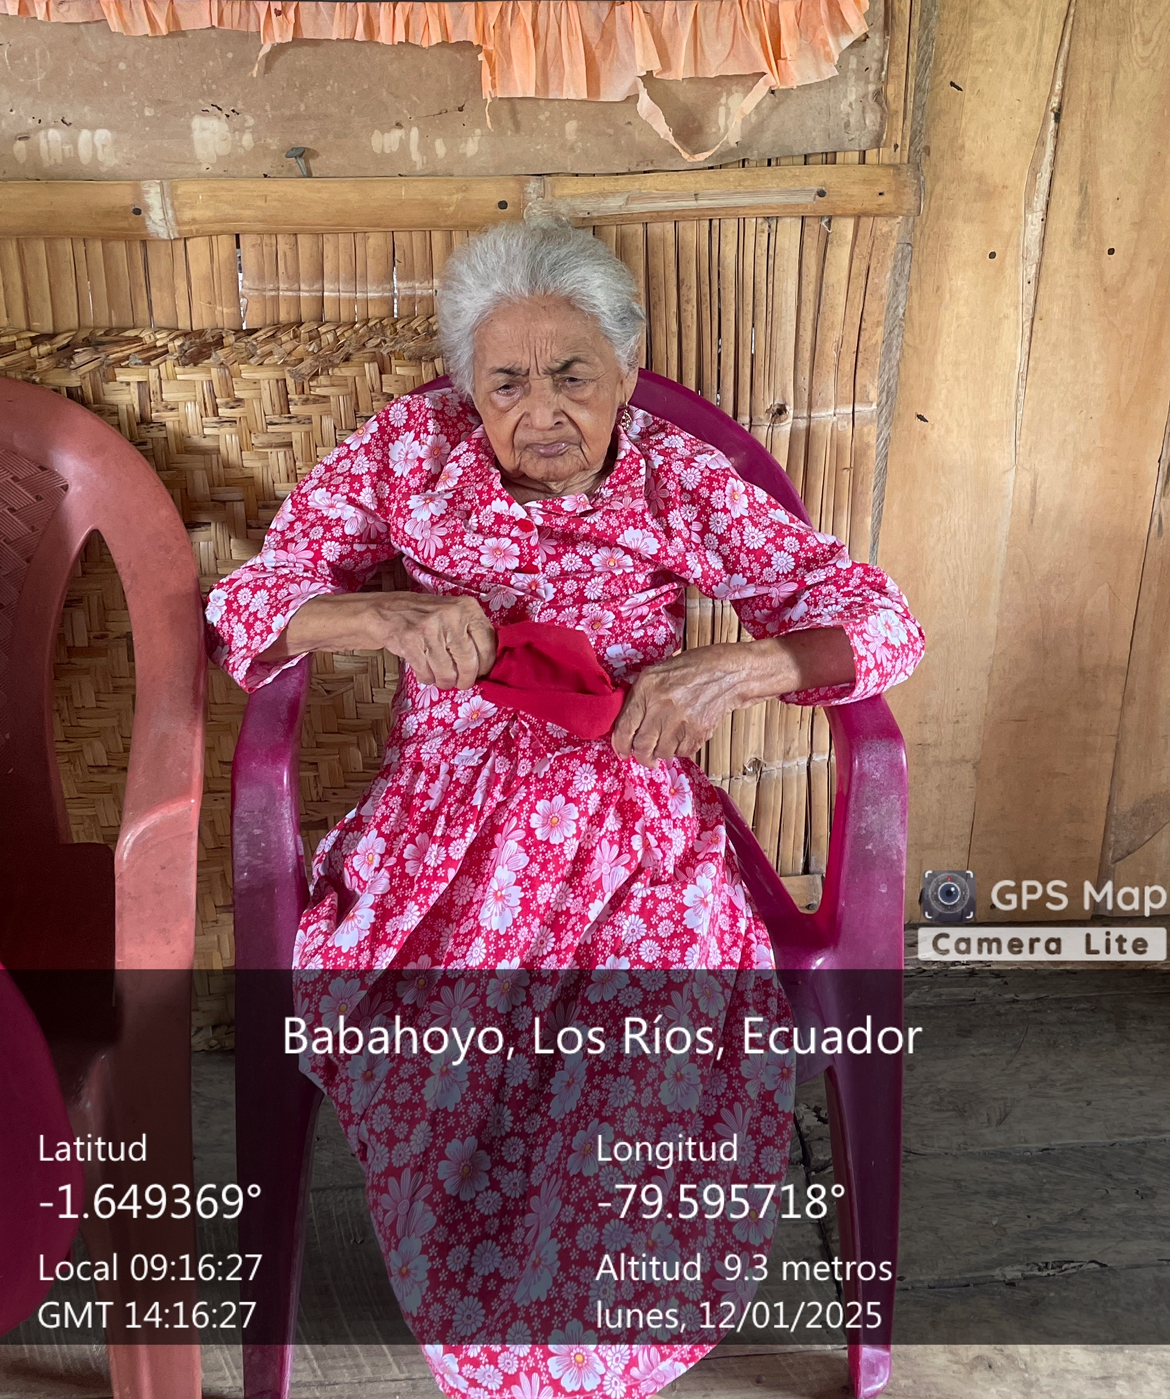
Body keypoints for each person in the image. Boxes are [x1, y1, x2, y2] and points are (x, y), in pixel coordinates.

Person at [206, 219, 924, 1399]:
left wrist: (737, 669)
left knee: (650, 1039)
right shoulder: (408, 453)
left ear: (627, 371)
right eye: (506, 383)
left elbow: (879, 618)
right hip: (442, 823)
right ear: (468, 390)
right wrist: (385, 616)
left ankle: (590, 1351)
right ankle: (500, 1334)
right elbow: (251, 600)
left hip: (633, 820)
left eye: (572, 375)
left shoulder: (677, 476)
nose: (540, 409)